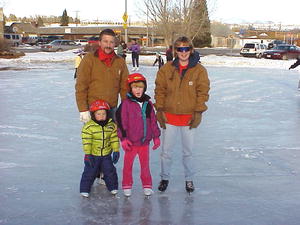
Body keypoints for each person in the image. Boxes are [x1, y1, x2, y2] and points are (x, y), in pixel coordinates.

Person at [154, 36, 210, 193]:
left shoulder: (199, 70)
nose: (183, 52)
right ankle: (164, 178)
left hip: (189, 118)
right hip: (169, 117)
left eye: (186, 49)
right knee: (166, 152)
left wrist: (198, 112)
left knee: (188, 152)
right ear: (175, 51)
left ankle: (189, 179)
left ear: (191, 50)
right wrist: (159, 109)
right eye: (180, 49)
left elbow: (203, 92)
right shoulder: (166, 69)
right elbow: (160, 90)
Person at [116, 73, 161, 197]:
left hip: (144, 142)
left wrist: (156, 136)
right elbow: (121, 122)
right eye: (135, 87)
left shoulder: (148, 104)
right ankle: (127, 185)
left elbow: (153, 121)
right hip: (131, 142)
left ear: (144, 88)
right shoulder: (126, 104)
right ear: (130, 88)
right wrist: (123, 138)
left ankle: (147, 185)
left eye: (140, 87)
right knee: (128, 165)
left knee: (145, 166)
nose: (138, 90)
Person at [75, 28, 129, 123]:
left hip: (112, 110)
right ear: (100, 42)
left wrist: (127, 107)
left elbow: (125, 87)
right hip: (94, 110)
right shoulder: (89, 59)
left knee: (112, 137)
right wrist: (83, 109)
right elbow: (81, 85)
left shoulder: (120, 62)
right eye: (105, 41)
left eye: (111, 42)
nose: (108, 45)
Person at [79, 99, 120, 198]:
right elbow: (87, 141)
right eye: (98, 114)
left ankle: (113, 187)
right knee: (90, 172)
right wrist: (87, 154)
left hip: (106, 155)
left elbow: (114, 138)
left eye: (103, 114)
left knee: (110, 171)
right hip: (93, 155)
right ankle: (84, 189)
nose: (101, 116)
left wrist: (116, 150)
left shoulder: (111, 126)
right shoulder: (89, 127)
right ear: (93, 115)